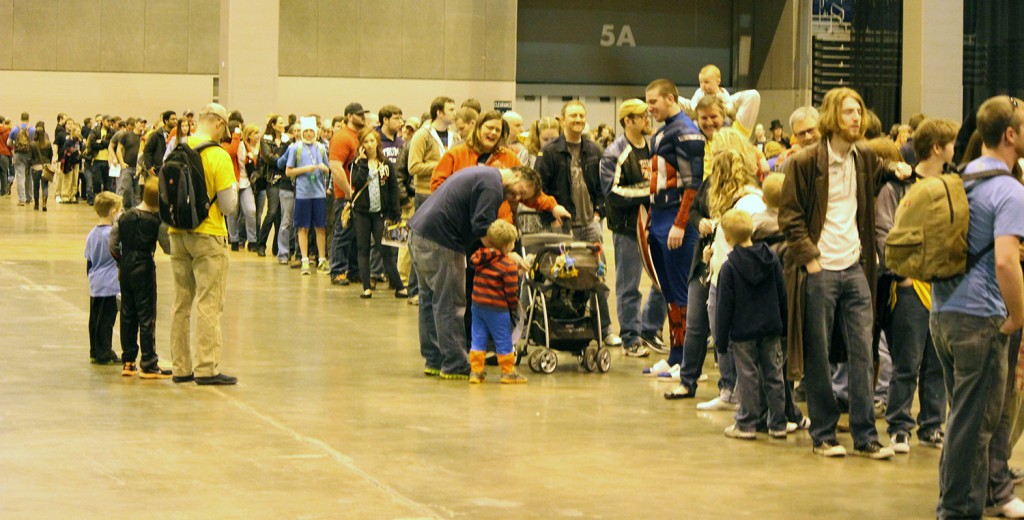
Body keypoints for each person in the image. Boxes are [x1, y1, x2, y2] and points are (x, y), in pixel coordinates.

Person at [779, 87, 908, 459]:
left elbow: (879, 170)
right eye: (850, 112)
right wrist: (811, 259)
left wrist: (895, 167)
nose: (857, 118)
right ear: (834, 117)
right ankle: (823, 434)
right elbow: (790, 217)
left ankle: (866, 435)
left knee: (863, 353)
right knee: (819, 355)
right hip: (820, 268)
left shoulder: (864, 157)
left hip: (855, 268)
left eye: (860, 112)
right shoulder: (804, 162)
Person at [931, 97, 1024, 519]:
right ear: (1010, 134)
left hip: (943, 314)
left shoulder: (959, 177)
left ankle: (952, 504)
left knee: (961, 420)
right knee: (976, 427)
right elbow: (1006, 259)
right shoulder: (1009, 189)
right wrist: (1019, 315)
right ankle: (956, 511)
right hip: (981, 319)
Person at [409, 166, 539, 379]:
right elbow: (482, 227)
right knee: (450, 303)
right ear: (516, 175)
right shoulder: (493, 185)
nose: (516, 197)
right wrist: (508, 253)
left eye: (521, 198)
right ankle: (454, 364)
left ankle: (434, 360)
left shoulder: (485, 176)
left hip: (419, 233)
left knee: (429, 300)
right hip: (442, 241)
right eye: (520, 191)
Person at [875, 118, 957, 455]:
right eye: (951, 143)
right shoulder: (896, 186)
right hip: (909, 286)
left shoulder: (953, 186)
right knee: (906, 361)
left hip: (944, 285)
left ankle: (932, 425)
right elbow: (883, 232)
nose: (955, 149)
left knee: (938, 363)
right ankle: (899, 425)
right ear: (938, 148)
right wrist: (902, 274)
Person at [535, 100, 620, 347]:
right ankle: (557, 329)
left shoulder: (594, 150)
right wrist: (550, 217)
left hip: (591, 225)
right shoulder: (550, 152)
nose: (578, 120)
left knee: (597, 277)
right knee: (562, 277)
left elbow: (604, 185)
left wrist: (599, 213)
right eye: (573, 115)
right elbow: (540, 189)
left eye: (581, 115)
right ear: (562, 120)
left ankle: (604, 329)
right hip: (563, 227)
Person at [168, 103, 239, 386]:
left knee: (181, 303)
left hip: (177, 232)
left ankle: (180, 367)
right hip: (208, 235)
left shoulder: (177, 149)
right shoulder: (218, 156)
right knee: (209, 302)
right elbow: (228, 205)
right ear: (221, 124)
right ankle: (207, 367)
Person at [643, 79, 705, 391]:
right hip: (660, 218)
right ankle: (675, 354)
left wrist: (681, 223)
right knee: (669, 294)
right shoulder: (665, 129)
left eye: (654, 101)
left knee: (682, 294)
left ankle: (687, 360)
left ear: (670, 98)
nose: (649, 107)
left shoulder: (685, 130)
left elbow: (694, 182)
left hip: (677, 219)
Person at [600, 98, 666, 357]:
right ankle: (630, 338)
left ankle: (649, 329)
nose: (648, 120)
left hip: (653, 225)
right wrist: (646, 194)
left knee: (662, 281)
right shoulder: (615, 152)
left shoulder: (651, 147)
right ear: (628, 120)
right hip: (627, 228)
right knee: (629, 285)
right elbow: (611, 192)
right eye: (642, 117)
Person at [715, 209, 788, 440]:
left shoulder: (729, 268)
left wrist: (720, 339)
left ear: (727, 238)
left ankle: (746, 423)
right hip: (771, 328)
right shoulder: (772, 259)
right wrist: (784, 325)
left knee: (747, 377)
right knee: (774, 375)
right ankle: (778, 423)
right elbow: (781, 293)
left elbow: (723, 307)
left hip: (743, 332)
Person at [109, 177, 172, 379]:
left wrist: (121, 259)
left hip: (125, 268)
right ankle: (149, 362)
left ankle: (128, 361)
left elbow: (113, 243)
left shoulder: (124, 217)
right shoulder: (156, 222)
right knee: (147, 315)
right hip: (144, 267)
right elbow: (168, 247)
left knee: (127, 313)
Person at [349, 127, 406, 297]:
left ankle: (399, 286)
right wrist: (363, 163)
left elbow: (393, 189)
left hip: (382, 213)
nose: (369, 145)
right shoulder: (357, 164)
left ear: (377, 142)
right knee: (363, 248)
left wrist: (396, 212)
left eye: (372, 141)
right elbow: (357, 183)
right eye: (365, 142)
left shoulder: (386, 164)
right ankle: (366, 287)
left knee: (386, 250)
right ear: (361, 145)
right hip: (361, 213)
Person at [468, 219, 526, 384]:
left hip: (478, 305)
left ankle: (476, 371)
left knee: (478, 338)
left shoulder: (481, 257)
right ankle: (508, 372)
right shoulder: (508, 265)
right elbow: (510, 290)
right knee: (503, 340)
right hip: (497, 309)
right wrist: (513, 306)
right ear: (507, 245)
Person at [282, 117, 331, 275]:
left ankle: (322, 260)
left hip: (319, 194)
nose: (309, 134)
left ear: (316, 133)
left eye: (311, 131)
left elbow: (329, 169)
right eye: (306, 131)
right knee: (302, 227)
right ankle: (304, 260)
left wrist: (324, 168)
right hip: (303, 194)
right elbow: (288, 171)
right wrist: (305, 169)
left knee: (320, 227)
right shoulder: (296, 148)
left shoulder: (322, 148)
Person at [327, 103, 366, 285]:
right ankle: (337, 270)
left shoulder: (360, 136)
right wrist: (347, 191)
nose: (363, 117)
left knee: (356, 234)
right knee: (343, 232)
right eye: (359, 114)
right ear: (349, 116)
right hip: (346, 194)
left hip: (359, 193)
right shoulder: (342, 137)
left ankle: (354, 270)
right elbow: (335, 166)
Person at [85, 192, 122, 365]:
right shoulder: (113, 234)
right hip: (110, 283)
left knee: (94, 320)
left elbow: (89, 260)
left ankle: (94, 350)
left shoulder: (92, 234)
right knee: (106, 321)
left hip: (95, 283)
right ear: (114, 212)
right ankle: (104, 352)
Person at [255, 114, 288, 258]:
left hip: (285, 180)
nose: (283, 125)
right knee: (272, 211)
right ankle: (261, 244)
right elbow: (268, 158)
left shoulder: (288, 140)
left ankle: (276, 246)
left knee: (281, 215)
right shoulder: (265, 140)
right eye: (280, 123)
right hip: (272, 179)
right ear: (273, 125)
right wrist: (283, 160)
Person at [231, 124, 260, 252]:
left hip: (246, 182)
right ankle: (234, 240)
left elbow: (252, 160)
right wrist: (235, 138)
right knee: (232, 212)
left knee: (251, 210)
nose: (240, 133)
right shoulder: (228, 145)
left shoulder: (245, 145)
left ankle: (252, 240)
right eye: (237, 131)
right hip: (233, 182)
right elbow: (231, 152)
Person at [112, 118, 145, 209]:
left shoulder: (145, 137)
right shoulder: (126, 135)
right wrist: (122, 162)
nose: (142, 124)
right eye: (140, 122)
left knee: (137, 192)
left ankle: (137, 212)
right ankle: (126, 209)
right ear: (136, 123)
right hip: (128, 167)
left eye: (144, 123)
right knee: (126, 189)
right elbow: (119, 149)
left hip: (139, 168)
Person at [8, 112, 36, 206]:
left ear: (21, 118)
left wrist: (14, 149)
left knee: (20, 176)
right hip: (29, 155)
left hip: (18, 154)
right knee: (29, 176)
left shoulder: (15, 129)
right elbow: (36, 143)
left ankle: (21, 199)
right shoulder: (32, 129)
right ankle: (29, 197)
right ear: (28, 119)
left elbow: (9, 143)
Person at [29, 123, 52, 212]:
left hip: (35, 168)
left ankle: (36, 205)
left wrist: (29, 166)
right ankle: (44, 204)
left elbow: (30, 157)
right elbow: (50, 155)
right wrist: (48, 164)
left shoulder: (32, 144)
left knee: (36, 187)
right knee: (45, 187)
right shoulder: (48, 144)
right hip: (45, 167)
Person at [0, 117, 11, 196]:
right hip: (4, 154)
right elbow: (10, 144)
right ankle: (3, 191)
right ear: (3, 122)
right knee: (4, 173)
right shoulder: (7, 132)